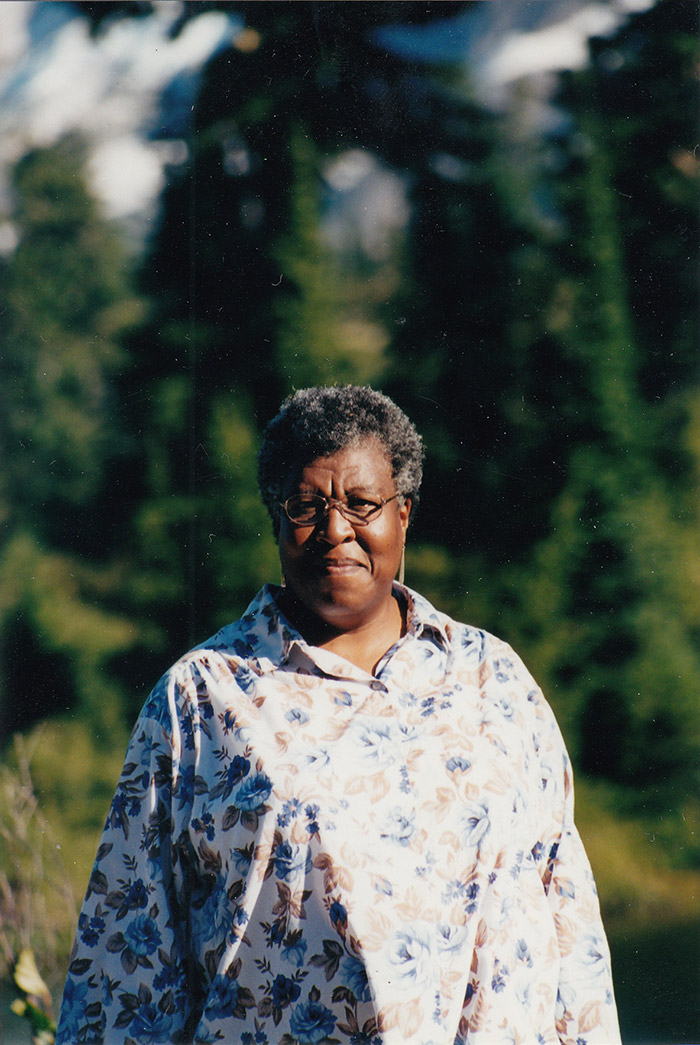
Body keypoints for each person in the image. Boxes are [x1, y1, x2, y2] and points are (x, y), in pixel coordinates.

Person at [56, 385, 620, 1044]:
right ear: (275, 519)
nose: (334, 530)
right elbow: (125, 962)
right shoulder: (201, 697)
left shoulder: (494, 679)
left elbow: (569, 922)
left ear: (403, 514)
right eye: (305, 506)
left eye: (361, 503)